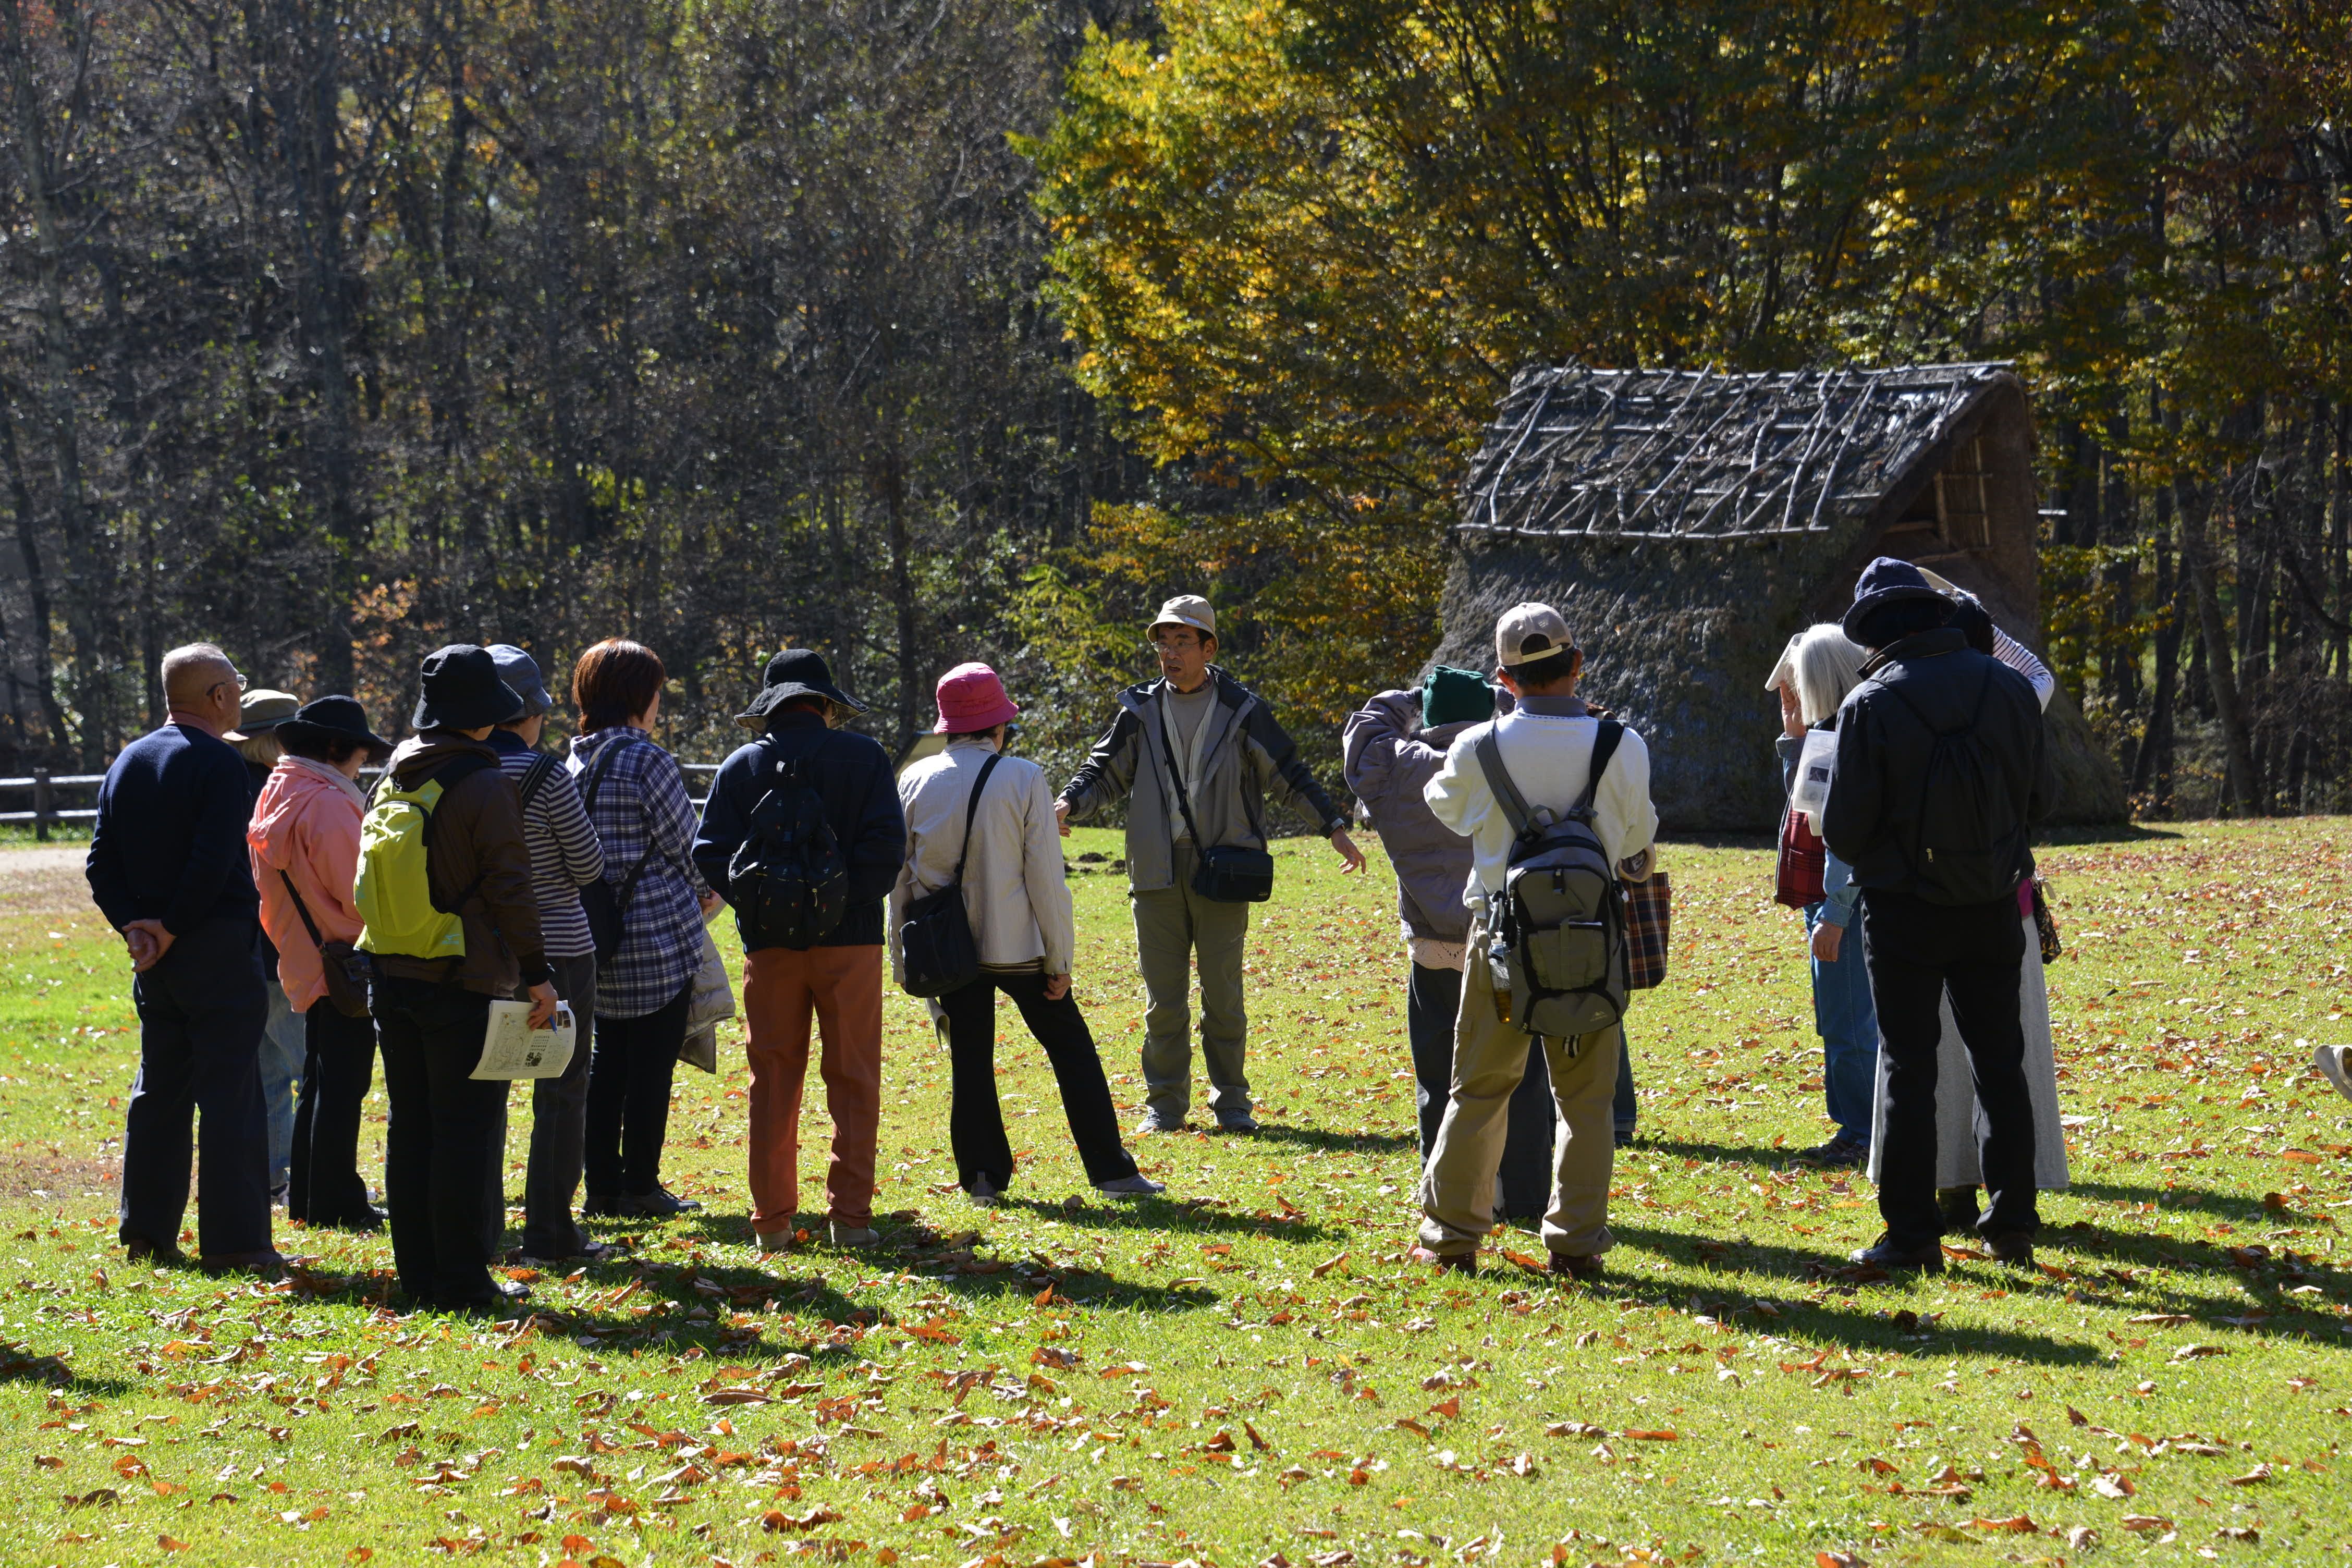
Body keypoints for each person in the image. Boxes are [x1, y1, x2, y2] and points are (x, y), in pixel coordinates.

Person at [1056, 595, 1364, 1134]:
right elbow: (1102, 770)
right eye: (1162, 642)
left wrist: (1333, 827)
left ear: (1208, 647)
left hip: (1223, 872)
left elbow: (1288, 773)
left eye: (1181, 641)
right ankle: (1166, 1106)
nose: (1169, 653)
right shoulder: (1139, 710)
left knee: (1224, 997)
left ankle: (1233, 1104)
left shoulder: (1243, 709)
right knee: (1163, 1003)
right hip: (1154, 872)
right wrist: (1069, 803)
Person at [1823, 558, 2055, 1272]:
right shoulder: (2010, 689)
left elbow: (1843, 831)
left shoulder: (1870, 705)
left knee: (1909, 1067)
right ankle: (2012, 1220)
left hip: (1904, 913)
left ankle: (1914, 1235)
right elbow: (2041, 804)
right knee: (2001, 1061)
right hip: (1990, 901)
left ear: (1876, 633)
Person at [1412, 605, 1658, 1277]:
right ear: (1578, 666)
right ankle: (1576, 1241)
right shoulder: (1622, 744)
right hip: (1589, 943)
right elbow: (1637, 843)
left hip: (1500, 942)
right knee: (1585, 1100)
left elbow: (1447, 807)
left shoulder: (1478, 748)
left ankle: (1455, 1235)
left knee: (1480, 1088)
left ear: (1503, 677)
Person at [893, 664, 1161, 1205]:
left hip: (950, 950)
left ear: (948, 726)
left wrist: (906, 962)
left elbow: (900, 880)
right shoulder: (1023, 776)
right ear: (999, 726)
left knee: (970, 1058)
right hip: (1021, 948)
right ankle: (1110, 1169)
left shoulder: (914, 779)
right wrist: (1060, 958)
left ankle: (982, 1178)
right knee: (1072, 1050)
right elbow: (1045, 877)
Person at [694, 649, 906, 1251]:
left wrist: (763, 904)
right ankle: (852, 1219)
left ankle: (773, 1223)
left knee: (774, 1079)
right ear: (824, 703)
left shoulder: (740, 766)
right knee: (855, 1077)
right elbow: (888, 848)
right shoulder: (864, 757)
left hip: (771, 948)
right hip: (852, 943)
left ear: (771, 706)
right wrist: (840, 901)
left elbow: (709, 851)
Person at [367, 645, 558, 1313]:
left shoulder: (395, 771)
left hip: (389, 970)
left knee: (411, 1126)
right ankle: (464, 1280)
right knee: (465, 1129)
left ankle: (418, 1272)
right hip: (461, 974)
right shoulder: (484, 783)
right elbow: (512, 887)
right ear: (487, 717)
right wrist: (539, 975)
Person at [86, 644, 281, 1277]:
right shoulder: (220, 764)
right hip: (215, 943)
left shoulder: (128, 760)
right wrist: (169, 926)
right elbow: (214, 857)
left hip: (155, 954)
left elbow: (99, 862)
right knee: (232, 1095)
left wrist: (135, 928)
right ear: (220, 695)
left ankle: (146, 1231)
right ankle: (236, 1241)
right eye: (237, 686)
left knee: (161, 1090)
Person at [1344, 669, 1558, 1216]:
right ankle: (1528, 1198)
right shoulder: (1508, 758)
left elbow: (1364, 729)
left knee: (1439, 1079)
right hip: (1504, 946)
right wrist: (1505, 694)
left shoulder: (1395, 767)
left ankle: (1447, 1196)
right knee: (1523, 1076)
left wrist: (1413, 696)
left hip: (1434, 951)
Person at [567, 639, 720, 1220]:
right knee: (652, 1066)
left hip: (596, 934)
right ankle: (641, 1184)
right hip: (656, 933)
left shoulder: (572, 761)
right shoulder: (646, 759)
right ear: (637, 695)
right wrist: (709, 897)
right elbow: (689, 847)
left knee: (607, 1063)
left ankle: (601, 1184)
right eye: (656, 691)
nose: (660, 702)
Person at [485, 644, 610, 1263]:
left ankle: (484, 1225)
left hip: (479, 952)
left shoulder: (451, 770)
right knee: (560, 1088)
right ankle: (551, 1232)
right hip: (559, 946)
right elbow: (589, 865)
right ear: (529, 714)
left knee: (484, 1086)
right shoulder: (546, 774)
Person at [249, 696, 392, 1231]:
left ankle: (310, 1193)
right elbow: (361, 894)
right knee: (341, 1085)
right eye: (358, 755)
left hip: (307, 956)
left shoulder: (278, 792)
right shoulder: (328, 804)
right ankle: (338, 1200)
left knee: (319, 1079)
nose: (360, 765)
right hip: (346, 959)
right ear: (335, 748)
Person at [1767, 626, 1878, 1168]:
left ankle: (1864, 1132)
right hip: (1830, 899)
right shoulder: (1829, 735)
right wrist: (1793, 736)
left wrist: (1834, 912)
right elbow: (1804, 807)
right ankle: (1855, 1127)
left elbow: (1844, 837)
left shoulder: (1850, 739)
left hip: (1845, 903)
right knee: (1838, 1018)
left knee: (1850, 1018)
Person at [231, 687, 306, 1205]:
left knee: (270, 1076)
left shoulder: (230, 786)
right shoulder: (281, 793)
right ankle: (312, 1178)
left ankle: (278, 1177)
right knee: (311, 1068)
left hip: (246, 954)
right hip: (283, 951)